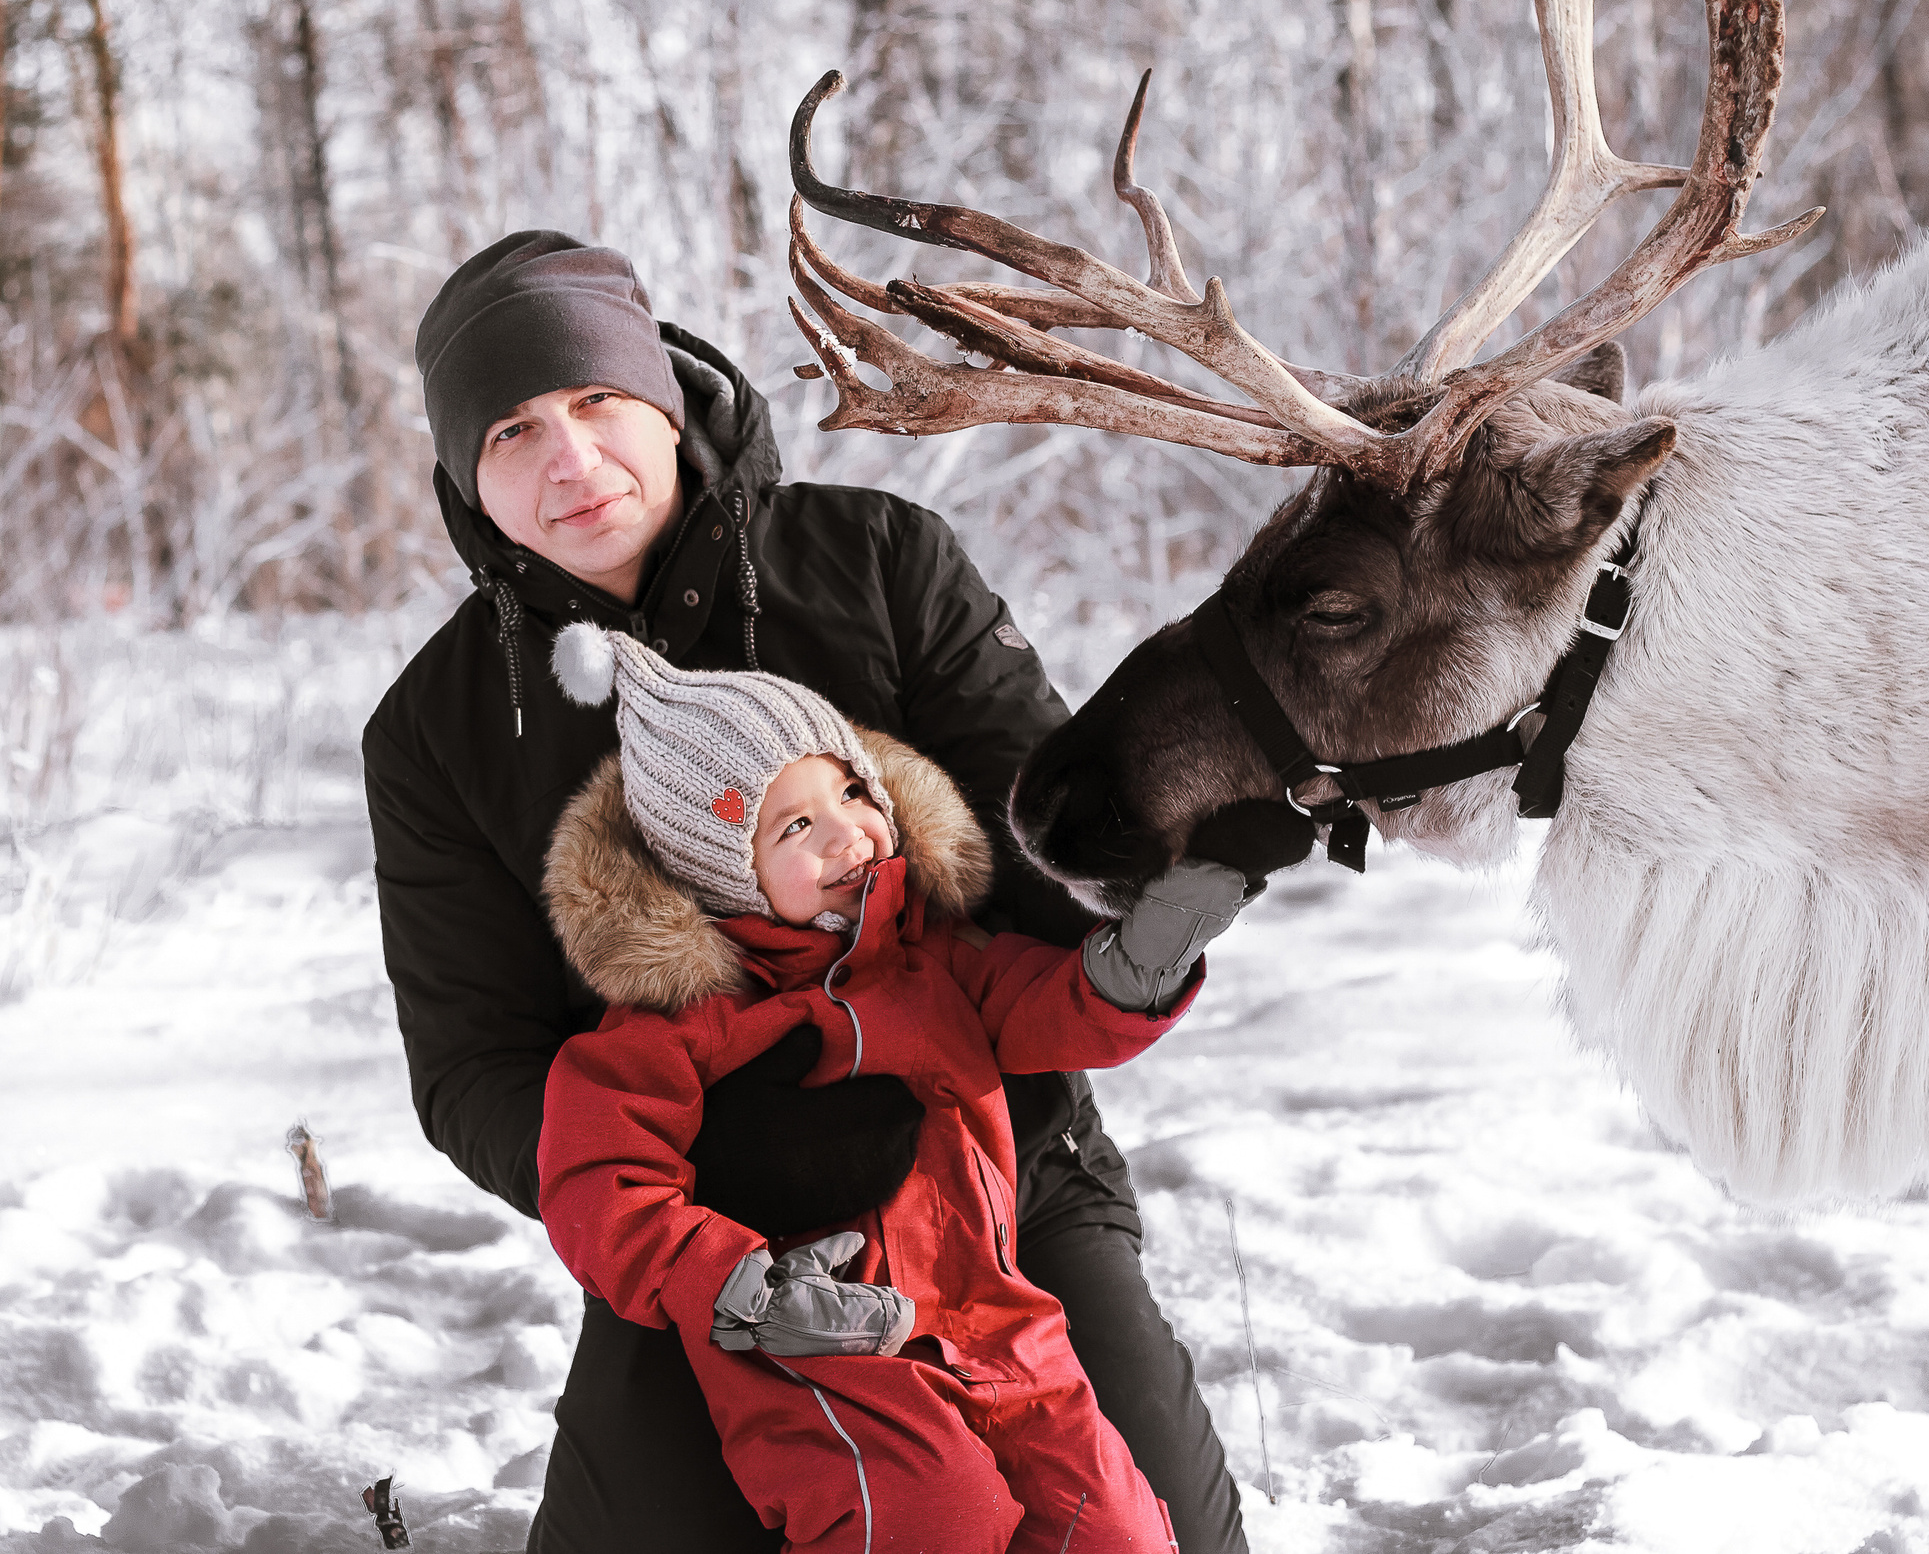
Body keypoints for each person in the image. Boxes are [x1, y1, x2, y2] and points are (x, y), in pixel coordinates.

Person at [365, 231, 1295, 1553]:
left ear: (666, 397)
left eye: (594, 401)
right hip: (710, 1242)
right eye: (511, 429)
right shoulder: (436, 728)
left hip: (998, 1175)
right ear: (466, 476)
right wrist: (686, 1238)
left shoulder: (878, 561)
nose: (568, 458)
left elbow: (1043, 860)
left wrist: (1140, 898)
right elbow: (473, 1066)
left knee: (1154, 1532)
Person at [534, 624, 1267, 1550]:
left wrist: (1137, 967)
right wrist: (736, 1282)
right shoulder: (675, 1022)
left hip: (996, 1318)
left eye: (849, 791)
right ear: (717, 871)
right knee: (931, 1514)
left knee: (1113, 1523)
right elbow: (598, 1181)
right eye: (794, 825)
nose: (848, 832)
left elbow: (1047, 1010)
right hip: (818, 1346)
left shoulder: (931, 956)